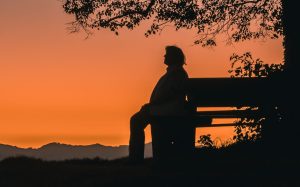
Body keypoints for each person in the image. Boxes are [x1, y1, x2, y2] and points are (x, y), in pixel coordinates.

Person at [129, 45, 189, 163]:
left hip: (165, 111)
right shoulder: (176, 73)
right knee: (136, 120)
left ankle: (135, 158)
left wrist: (150, 105)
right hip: (163, 109)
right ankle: (135, 158)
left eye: (167, 54)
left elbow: (167, 95)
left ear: (173, 57)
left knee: (135, 121)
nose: (164, 56)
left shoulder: (176, 73)